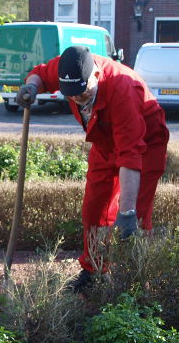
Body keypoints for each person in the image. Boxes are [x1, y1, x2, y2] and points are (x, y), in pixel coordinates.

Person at [15, 45, 169, 290]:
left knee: (136, 218)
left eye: (83, 92)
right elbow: (41, 74)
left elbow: (131, 154)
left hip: (146, 142)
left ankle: (136, 281)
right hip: (104, 139)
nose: (77, 99)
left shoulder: (123, 89)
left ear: (95, 75)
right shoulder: (71, 67)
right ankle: (94, 271)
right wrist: (32, 86)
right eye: (71, 94)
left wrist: (126, 212)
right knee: (94, 208)